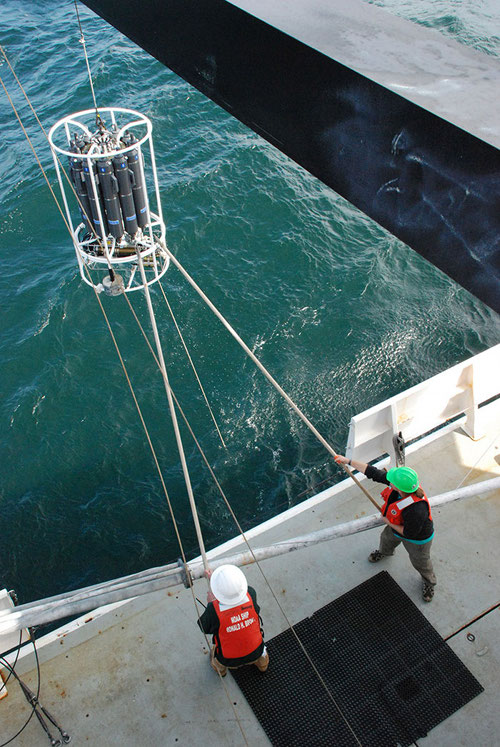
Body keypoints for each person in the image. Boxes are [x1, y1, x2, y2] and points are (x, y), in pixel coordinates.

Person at [335, 455, 436, 602]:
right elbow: (372, 472)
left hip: (417, 539)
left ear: (398, 487)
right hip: (395, 526)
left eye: (392, 480)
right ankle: (384, 552)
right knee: (386, 540)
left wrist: (388, 522)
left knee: (420, 561)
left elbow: (409, 533)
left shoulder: (417, 510)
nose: (389, 479)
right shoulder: (401, 487)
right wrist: (348, 461)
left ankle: (429, 582)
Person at [198, 564, 269, 677]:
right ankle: (262, 665)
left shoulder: (214, 609)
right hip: (256, 651)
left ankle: (221, 670)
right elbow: (256, 610)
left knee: (217, 660)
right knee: (261, 654)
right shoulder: (250, 593)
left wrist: (210, 603)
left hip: (228, 659)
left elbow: (204, 627)